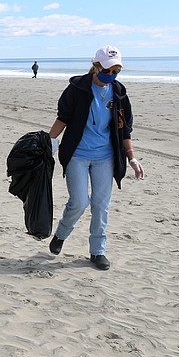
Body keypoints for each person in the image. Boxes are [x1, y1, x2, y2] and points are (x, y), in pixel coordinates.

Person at [48, 46, 144, 270]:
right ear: (96, 65)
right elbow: (62, 120)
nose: (111, 76)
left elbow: (124, 130)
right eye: (108, 71)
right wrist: (47, 143)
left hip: (105, 157)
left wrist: (132, 158)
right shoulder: (76, 89)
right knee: (79, 202)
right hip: (78, 155)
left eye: (116, 71)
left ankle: (97, 251)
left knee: (101, 205)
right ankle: (61, 234)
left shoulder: (119, 93)